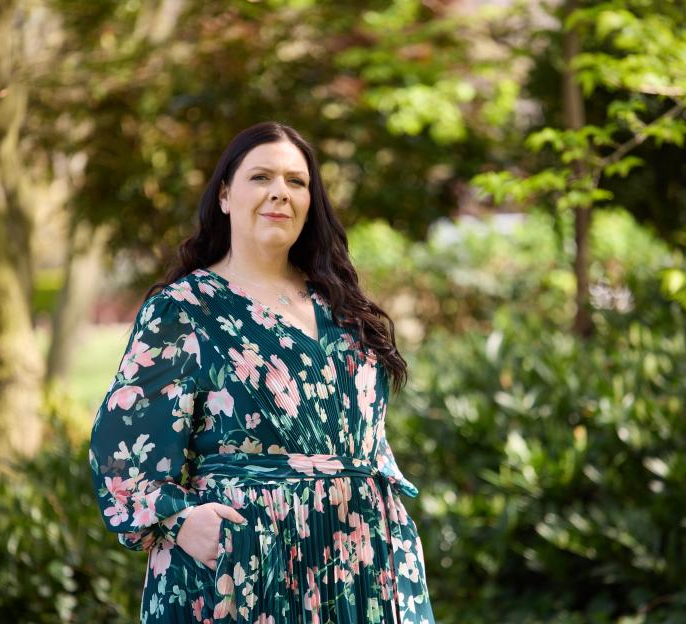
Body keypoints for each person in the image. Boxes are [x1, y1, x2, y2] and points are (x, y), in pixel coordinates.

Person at [89, 121, 435, 623]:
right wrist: (181, 520)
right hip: (246, 566)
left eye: (297, 182)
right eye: (262, 178)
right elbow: (122, 446)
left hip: (364, 560)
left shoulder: (341, 306)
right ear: (226, 195)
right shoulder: (186, 309)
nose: (280, 192)